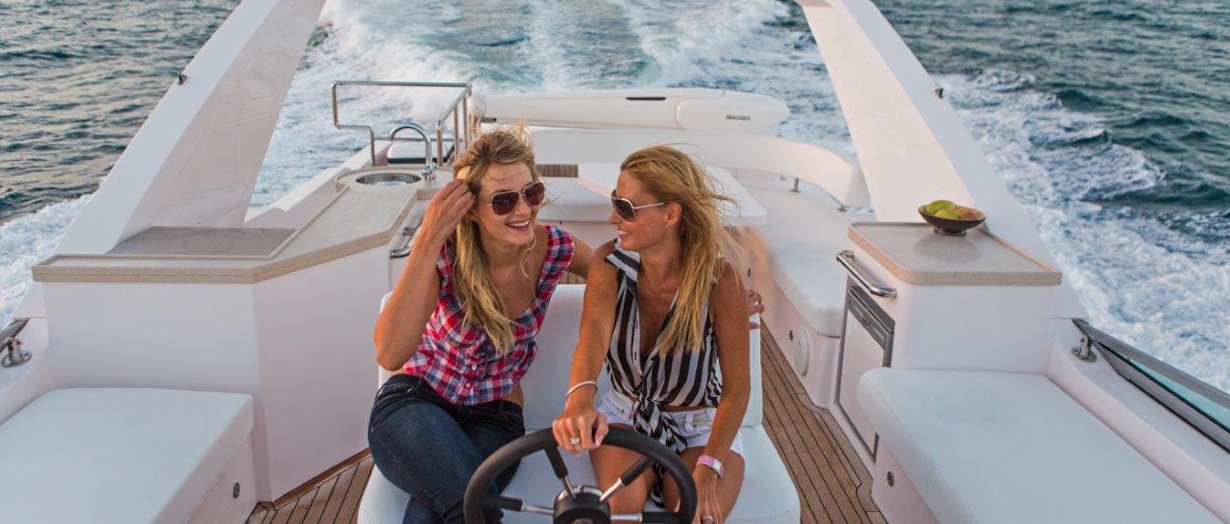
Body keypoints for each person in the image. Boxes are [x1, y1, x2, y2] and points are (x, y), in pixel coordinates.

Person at [369, 128, 593, 524]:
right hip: (418, 402)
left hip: (497, 417)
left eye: (531, 193)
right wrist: (428, 238)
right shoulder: (443, 255)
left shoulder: (554, 248)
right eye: (504, 201)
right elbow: (390, 353)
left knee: (439, 514)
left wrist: (709, 287)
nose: (523, 210)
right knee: (472, 505)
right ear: (471, 209)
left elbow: (619, 276)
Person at [553, 145, 753, 524]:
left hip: (700, 427)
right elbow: (593, 334)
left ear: (670, 214)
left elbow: (737, 389)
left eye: (626, 207)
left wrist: (709, 467)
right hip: (626, 413)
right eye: (615, 202)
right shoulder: (608, 264)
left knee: (695, 515)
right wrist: (580, 396)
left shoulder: (719, 280)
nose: (613, 217)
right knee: (621, 511)